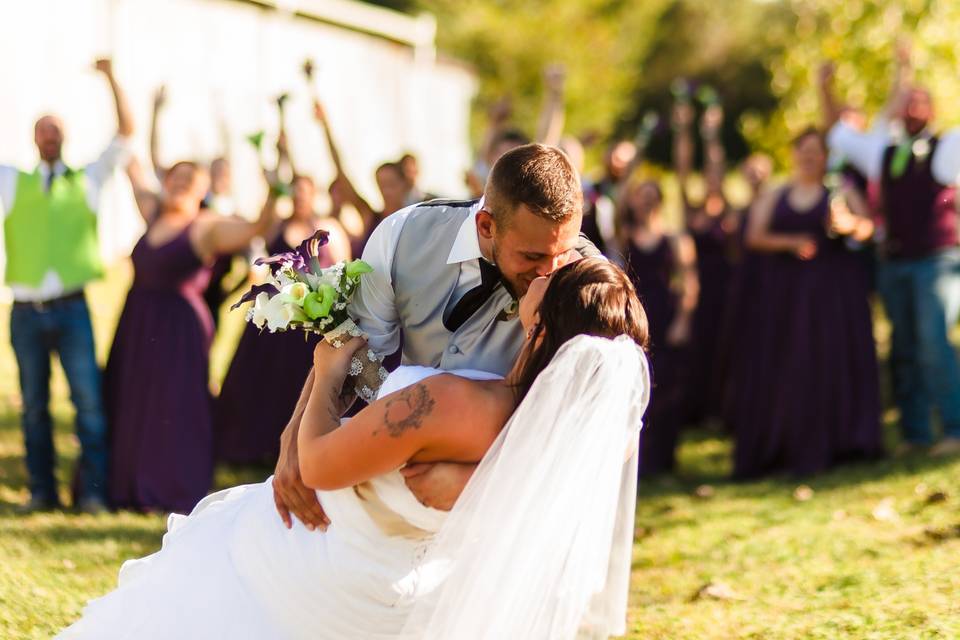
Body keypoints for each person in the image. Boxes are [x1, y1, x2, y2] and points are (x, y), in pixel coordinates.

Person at [58, 258, 650, 640]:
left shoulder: (452, 403)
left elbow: (316, 465)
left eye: (555, 277)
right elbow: (617, 444)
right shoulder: (553, 443)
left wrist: (326, 372)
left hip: (301, 571)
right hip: (389, 597)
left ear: (545, 326)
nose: (547, 268)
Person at [272, 142, 602, 532]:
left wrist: (474, 484)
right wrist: (295, 433)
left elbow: (596, 428)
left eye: (562, 253)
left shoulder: (587, 281)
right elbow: (351, 351)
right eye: (531, 257)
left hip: (499, 517)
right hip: (399, 477)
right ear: (486, 225)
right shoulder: (403, 234)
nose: (549, 273)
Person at [105, 154, 276, 513]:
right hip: (137, 322)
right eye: (176, 177)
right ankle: (126, 482)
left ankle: (169, 486)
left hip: (178, 329)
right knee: (134, 399)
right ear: (166, 182)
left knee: (174, 402)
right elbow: (133, 165)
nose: (181, 183)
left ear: (202, 190)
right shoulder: (154, 213)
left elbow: (256, 229)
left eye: (190, 179)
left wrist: (274, 192)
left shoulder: (206, 226)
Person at [0, 58, 133, 513]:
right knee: (34, 407)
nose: (49, 136)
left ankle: (93, 493)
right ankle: (42, 491)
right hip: (25, 312)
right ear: (34, 138)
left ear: (65, 137)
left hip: (73, 309)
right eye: (42, 130)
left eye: (55, 129)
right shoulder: (12, 183)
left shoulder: (88, 179)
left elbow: (125, 137)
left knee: (88, 406)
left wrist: (111, 78)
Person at [822, 61, 960, 458]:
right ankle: (916, 435)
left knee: (934, 343)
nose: (913, 106)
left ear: (932, 110)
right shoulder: (882, 151)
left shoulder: (947, 147)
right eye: (908, 100)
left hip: (936, 262)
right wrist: (825, 87)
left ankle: (953, 428)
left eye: (922, 101)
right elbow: (838, 133)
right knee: (903, 347)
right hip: (895, 263)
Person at [730, 128, 883, 478]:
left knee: (830, 358)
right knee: (790, 361)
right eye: (805, 150)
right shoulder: (776, 193)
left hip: (834, 297)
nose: (810, 157)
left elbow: (868, 228)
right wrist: (789, 242)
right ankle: (786, 443)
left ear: (825, 157)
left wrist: (849, 224)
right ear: (795, 154)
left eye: (817, 151)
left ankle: (842, 441)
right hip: (787, 298)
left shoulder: (841, 191)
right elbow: (754, 236)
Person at [214, 171, 350, 465]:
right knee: (259, 381)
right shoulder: (278, 225)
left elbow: (344, 272)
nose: (300, 196)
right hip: (278, 320)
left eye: (305, 190)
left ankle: (301, 445)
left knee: (301, 383)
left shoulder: (329, 228)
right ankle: (256, 446)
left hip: (312, 322)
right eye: (295, 191)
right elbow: (258, 237)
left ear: (314, 194)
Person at [618, 177, 698, 476]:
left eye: (653, 195)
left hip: (664, 315)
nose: (647, 201)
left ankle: (665, 458)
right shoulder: (624, 236)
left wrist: (683, 320)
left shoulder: (676, 239)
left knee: (665, 385)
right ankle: (636, 458)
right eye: (643, 195)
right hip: (634, 316)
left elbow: (690, 283)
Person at [673, 97, 738, 427]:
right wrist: (684, 129)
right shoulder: (692, 211)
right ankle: (695, 411)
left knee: (723, 346)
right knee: (697, 347)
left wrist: (712, 134)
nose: (711, 179)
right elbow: (683, 168)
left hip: (726, 287)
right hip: (699, 287)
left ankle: (720, 410)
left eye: (716, 176)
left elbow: (717, 162)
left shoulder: (727, 211)